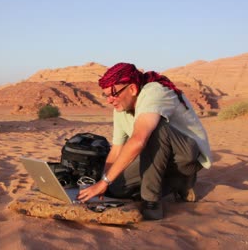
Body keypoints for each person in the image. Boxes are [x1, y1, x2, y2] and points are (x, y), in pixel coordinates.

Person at [77, 62, 212, 220]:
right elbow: (116, 150)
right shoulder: (121, 108)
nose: (109, 100)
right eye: (106, 95)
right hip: (158, 156)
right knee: (116, 188)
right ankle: (178, 183)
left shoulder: (153, 92)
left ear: (133, 89)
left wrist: (104, 182)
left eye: (113, 94)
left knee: (154, 130)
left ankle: (151, 201)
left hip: (186, 156)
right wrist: (103, 183)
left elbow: (139, 140)